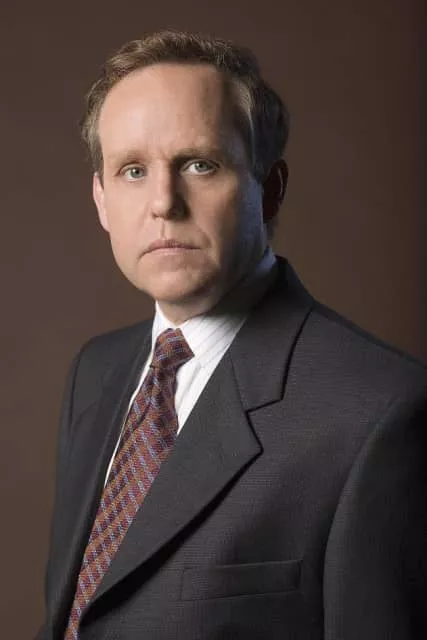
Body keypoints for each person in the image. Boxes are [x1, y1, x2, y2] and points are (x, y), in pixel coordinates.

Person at [36, 30, 427, 640]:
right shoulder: (96, 370)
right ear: (102, 200)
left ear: (270, 188)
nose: (163, 203)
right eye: (133, 171)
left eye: (200, 164)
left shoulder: (381, 411)